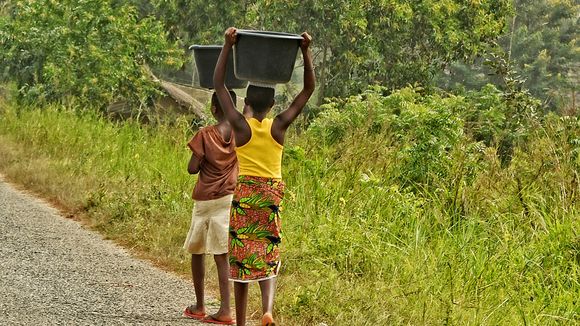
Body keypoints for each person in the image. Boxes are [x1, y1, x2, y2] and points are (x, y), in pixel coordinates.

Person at [213, 27, 315, 326]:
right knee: (268, 250)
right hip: (271, 193)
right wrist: (306, 51)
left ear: (247, 104)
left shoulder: (240, 127)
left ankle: (242, 322)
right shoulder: (278, 127)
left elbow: (219, 84)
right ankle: (268, 309)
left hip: (245, 193)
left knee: (242, 256)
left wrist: (227, 45)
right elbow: (307, 90)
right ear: (272, 106)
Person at [182, 91, 238, 325]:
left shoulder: (205, 135)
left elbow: (192, 168)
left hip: (205, 200)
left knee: (198, 250)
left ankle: (200, 305)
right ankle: (225, 308)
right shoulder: (240, 135)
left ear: (214, 108)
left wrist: (203, 159)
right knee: (221, 254)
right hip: (228, 197)